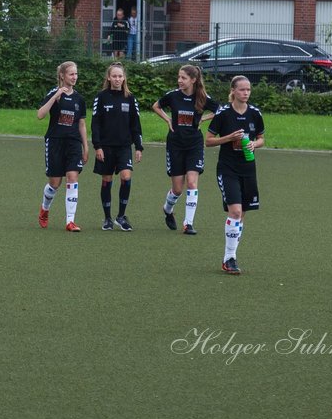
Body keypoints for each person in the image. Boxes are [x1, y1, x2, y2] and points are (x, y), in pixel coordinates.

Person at [204, 75, 264, 274]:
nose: (245, 93)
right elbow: (209, 140)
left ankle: (232, 255)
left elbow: (262, 138)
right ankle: (229, 257)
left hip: (248, 167)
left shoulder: (255, 113)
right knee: (235, 212)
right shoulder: (223, 114)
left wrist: (255, 144)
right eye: (242, 90)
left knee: (242, 215)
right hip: (227, 168)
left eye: (248, 90)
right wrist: (229, 138)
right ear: (233, 91)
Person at [153, 64, 219, 235]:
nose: (179, 81)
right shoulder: (173, 96)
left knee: (192, 182)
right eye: (179, 77)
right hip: (175, 144)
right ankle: (168, 209)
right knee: (177, 189)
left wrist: (203, 119)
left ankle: (188, 223)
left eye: (183, 78)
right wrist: (167, 119)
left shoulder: (202, 97)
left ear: (193, 80)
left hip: (194, 145)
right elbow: (156, 106)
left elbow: (220, 110)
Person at [36, 60, 88, 232]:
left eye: (76, 74)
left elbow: (81, 124)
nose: (74, 77)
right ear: (62, 75)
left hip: (73, 143)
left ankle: (70, 221)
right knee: (54, 183)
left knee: (73, 178)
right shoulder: (54, 93)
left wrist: (86, 147)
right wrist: (55, 96)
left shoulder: (79, 99)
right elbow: (40, 115)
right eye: (71, 74)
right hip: (55, 142)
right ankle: (44, 209)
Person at [90, 62, 143, 231]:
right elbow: (95, 124)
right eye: (114, 76)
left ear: (124, 78)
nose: (117, 79)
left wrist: (139, 147)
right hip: (105, 147)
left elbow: (136, 125)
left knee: (126, 177)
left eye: (120, 76)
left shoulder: (130, 98)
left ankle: (121, 216)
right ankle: (107, 218)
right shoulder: (101, 96)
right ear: (109, 77)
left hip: (124, 147)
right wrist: (97, 146)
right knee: (107, 180)